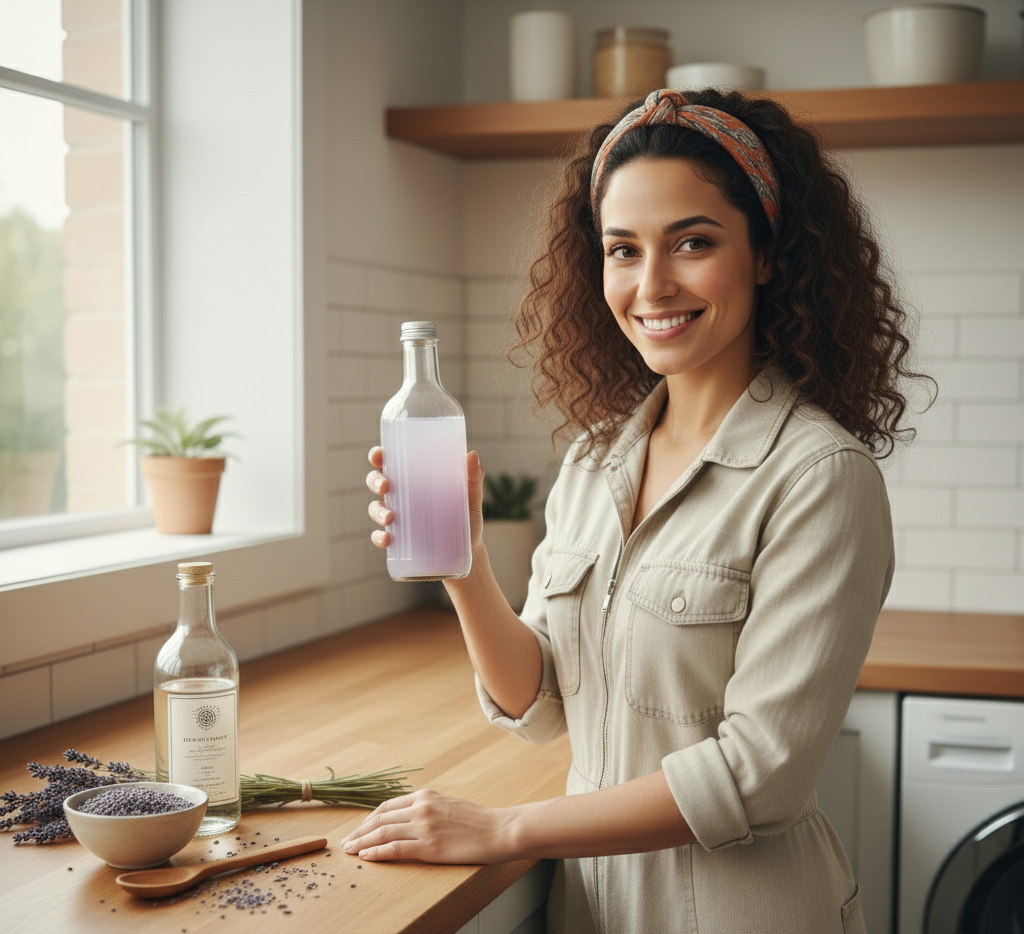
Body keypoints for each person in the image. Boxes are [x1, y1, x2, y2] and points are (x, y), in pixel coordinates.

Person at [345, 88, 930, 933]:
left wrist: (504, 828)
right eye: (623, 250)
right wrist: (465, 564)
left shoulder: (818, 476)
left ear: (767, 254)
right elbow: (543, 704)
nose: (652, 285)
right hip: (596, 909)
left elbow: (761, 774)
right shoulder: (594, 463)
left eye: (692, 242)